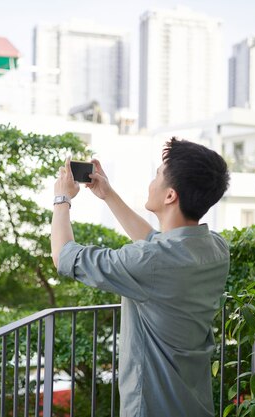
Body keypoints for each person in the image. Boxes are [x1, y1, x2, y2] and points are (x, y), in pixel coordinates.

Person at [50, 137, 231, 417]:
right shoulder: (215, 248)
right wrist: (107, 194)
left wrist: (62, 199)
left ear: (170, 195)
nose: (152, 181)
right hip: (194, 404)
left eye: (157, 175)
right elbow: (153, 241)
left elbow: (63, 256)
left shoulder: (151, 262)